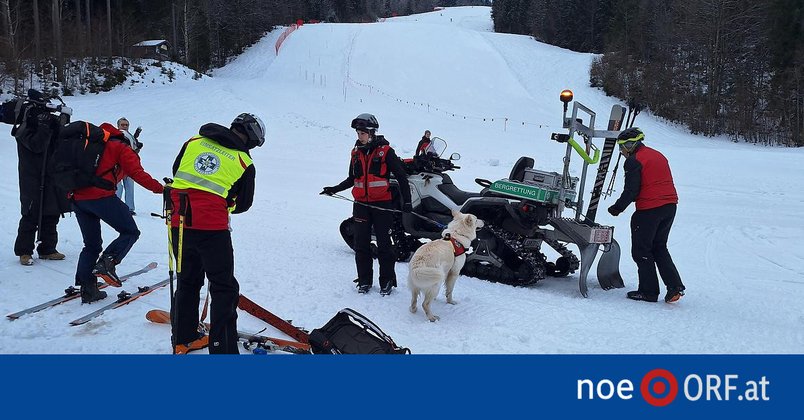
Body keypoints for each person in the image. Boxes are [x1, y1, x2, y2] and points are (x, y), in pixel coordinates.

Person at [169, 113, 265, 354]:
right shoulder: (244, 161)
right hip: (212, 229)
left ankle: (183, 336)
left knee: (188, 281)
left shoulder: (193, 141)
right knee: (223, 288)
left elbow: (177, 170)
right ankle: (223, 350)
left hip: (178, 221)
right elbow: (243, 203)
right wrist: (224, 204)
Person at [71, 122, 164, 303]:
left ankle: (88, 288)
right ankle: (108, 262)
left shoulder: (91, 143)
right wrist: (162, 189)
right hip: (101, 198)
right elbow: (137, 173)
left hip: (77, 198)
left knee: (91, 244)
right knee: (130, 231)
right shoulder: (120, 147)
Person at [321, 113, 412, 296]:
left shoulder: (386, 151)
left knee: (385, 246)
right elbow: (352, 178)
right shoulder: (355, 153)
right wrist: (334, 189)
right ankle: (364, 281)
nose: (359, 136)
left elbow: (402, 177)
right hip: (361, 205)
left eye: (362, 132)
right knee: (361, 245)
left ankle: (387, 281)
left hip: (382, 206)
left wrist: (407, 201)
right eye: (357, 132)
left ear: (371, 133)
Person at [607, 127, 685, 303]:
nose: (621, 151)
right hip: (670, 206)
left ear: (631, 144)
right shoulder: (657, 154)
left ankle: (648, 292)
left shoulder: (634, 161)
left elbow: (632, 190)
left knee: (641, 250)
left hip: (650, 209)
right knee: (659, 247)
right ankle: (674, 287)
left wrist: (617, 208)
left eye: (622, 146)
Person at [12, 90, 71, 266]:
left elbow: (62, 144)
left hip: (51, 173)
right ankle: (24, 251)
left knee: (52, 212)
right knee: (31, 212)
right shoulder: (23, 128)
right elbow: (37, 145)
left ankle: (48, 248)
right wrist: (43, 127)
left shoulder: (49, 124)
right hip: (31, 176)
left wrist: (61, 123)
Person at [115, 117, 143, 215]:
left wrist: (137, 147)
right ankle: (116, 206)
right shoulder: (115, 135)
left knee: (130, 187)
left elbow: (134, 151)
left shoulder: (130, 136)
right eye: (122, 125)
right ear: (118, 126)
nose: (124, 126)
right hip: (116, 166)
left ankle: (130, 208)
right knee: (118, 188)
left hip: (128, 166)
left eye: (126, 125)